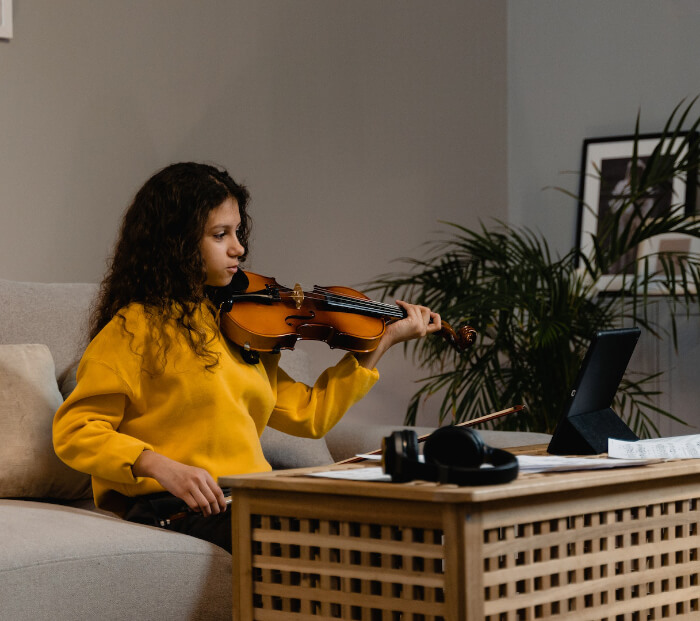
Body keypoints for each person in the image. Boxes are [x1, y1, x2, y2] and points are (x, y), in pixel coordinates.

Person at [53, 162, 441, 552]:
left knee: (395, 526)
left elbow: (310, 415)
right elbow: (76, 429)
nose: (238, 247)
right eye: (220, 234)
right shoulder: (135, 326)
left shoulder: (242, 325)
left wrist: (383, 340)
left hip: (248, 495)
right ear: (177, 241)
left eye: (238, 232)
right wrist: (158, 465)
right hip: (174, 503)